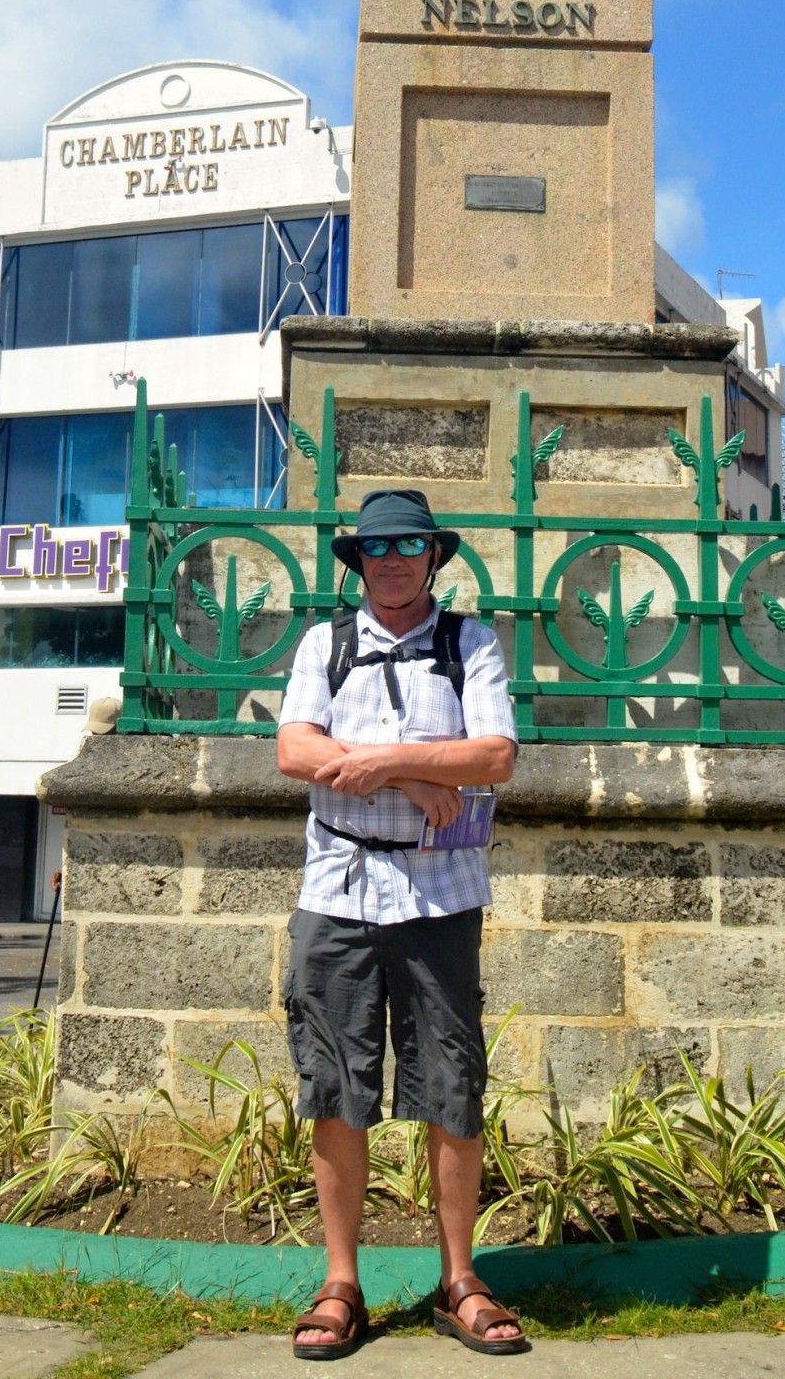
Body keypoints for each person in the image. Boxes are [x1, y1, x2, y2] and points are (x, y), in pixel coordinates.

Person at [277, 487, 528, 1359]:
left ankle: (459, 1280)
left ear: (432, 558)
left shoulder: (469, 644)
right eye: (375, 548)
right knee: (334, 1084)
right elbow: (294, 749)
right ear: (358, 560)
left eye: (407, 547)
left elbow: (494, 755)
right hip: (336, 890)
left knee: (451, 1083)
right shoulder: (326, 644)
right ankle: (340, 1283)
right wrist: (416, 776)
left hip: (439, 894)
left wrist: (385, 761)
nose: (391, 561)